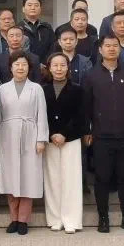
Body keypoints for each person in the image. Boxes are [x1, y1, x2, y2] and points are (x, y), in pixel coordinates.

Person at [82, 34, 124, 234]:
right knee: (102, 178)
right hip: (101, 136)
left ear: (120, 48)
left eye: (115, 45)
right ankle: (103, 218)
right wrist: (87, 130)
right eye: (107, 46)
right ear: (100, 50)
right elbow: (86, 106)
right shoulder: (91, 75)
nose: (111, 49)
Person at [0, 51, 48, 235]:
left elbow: (42, 115)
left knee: (28, 177)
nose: (20, 67)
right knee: (10, 177)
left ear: (29, 68)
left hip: (30, 135)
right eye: (16, 64)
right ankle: (14, 218)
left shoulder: (36, 88)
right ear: (10, 67)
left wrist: (41, 139)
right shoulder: (2, 89)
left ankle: (23, 220)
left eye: (24, 64)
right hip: (7, 136)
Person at [41, 52, 85, 234]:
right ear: (49, 68)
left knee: (71, 179)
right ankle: (55, 218)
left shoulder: (78, 90)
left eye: (62, 65)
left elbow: (81, 116)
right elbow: (40, 115)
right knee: (52, 179)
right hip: (50, 140)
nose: (59, 69)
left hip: (71, 139)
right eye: (55, 65)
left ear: (68, 68)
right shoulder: (42, 90)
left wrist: (64, 134)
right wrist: (52, 134)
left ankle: (71, 219)